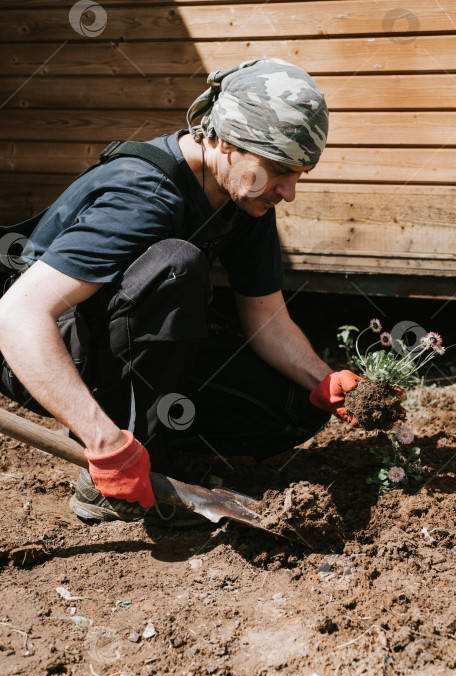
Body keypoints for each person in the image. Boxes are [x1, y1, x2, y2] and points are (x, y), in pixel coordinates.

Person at [0, 58, 360, 526]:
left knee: (295, 409)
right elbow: (17, 313)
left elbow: (266, 317)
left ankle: (152, 446)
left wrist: (323, 380)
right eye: (279, 170)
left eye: (299, 175)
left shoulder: (246, 197)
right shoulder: (144, 194)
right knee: (177, 265)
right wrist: (105, 442)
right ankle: (113, 468)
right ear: (227, 142)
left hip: (126, 344)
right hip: (42, 351)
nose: (288, 192)